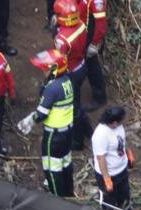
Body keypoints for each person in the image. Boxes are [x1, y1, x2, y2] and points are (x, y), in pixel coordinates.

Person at [17, 49, 76, 197]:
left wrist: (30, 120)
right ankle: (68, 193)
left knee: (51, 167)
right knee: (65, 163)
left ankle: (57, 198)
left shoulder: (52, 88)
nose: (43, 71)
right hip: (67, 131)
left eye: (45, 69)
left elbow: (42, 113)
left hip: (54, 135)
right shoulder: (67, 81)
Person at [53, 0, 93, 150]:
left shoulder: (62, 39)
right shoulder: (82, 24)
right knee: (76, 101)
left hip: (70, 72)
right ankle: (89, 131)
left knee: (73, 107)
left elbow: (60, 59)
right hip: (81, 66)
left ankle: (78, 141)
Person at [91, 106, 134, 210]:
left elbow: (122, 140)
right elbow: (101, 158)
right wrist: (107, 179)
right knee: (109, 200)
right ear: (113, 122)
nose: (122, 123)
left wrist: (128, 152)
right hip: (110, 174)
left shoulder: (118, 127)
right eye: (120, 121)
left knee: (124, 196)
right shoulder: (101, 135)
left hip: (121, 170)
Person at [78, 0, 108, 111]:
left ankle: (100, 98)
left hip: (90, 36)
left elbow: (101, 25)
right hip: (82, 33)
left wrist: (94, 44)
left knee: (92, 66)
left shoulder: (96, 1)